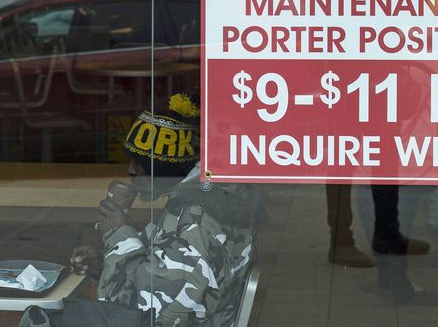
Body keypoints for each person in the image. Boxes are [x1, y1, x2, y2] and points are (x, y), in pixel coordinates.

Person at [22, 93, 266, 327]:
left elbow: (149, 312)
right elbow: (162, 265)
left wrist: (118, 234)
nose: (131, 171)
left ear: (169, 171)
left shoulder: (197, 220)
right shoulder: (200, 204)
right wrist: (106, 261)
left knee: (40, 321)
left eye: (141, 165)